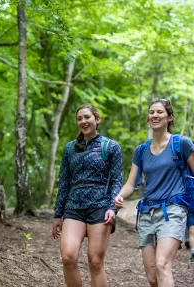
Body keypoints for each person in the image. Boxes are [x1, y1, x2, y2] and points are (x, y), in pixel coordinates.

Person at [114, 99, 194, 287]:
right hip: (147, 213)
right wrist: (119, 195)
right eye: (151, 112)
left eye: (159, 112)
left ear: (169, 117)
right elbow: (130, 183)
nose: (154, 115)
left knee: (162, 264)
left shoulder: (181, 144)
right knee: (152, 277)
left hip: (173, 211)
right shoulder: (141, 150)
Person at [52, 104, 123, 287]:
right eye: (79, 118)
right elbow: (64, 183)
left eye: (87, 117)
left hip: (100, 208)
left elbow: (116, 181)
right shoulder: (69, 149)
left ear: (97, 120)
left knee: (95, 261)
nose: (83, 121)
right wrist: (57, 215)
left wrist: (112, 208)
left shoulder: (111, 147)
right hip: (73, 207)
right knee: (68, 257)